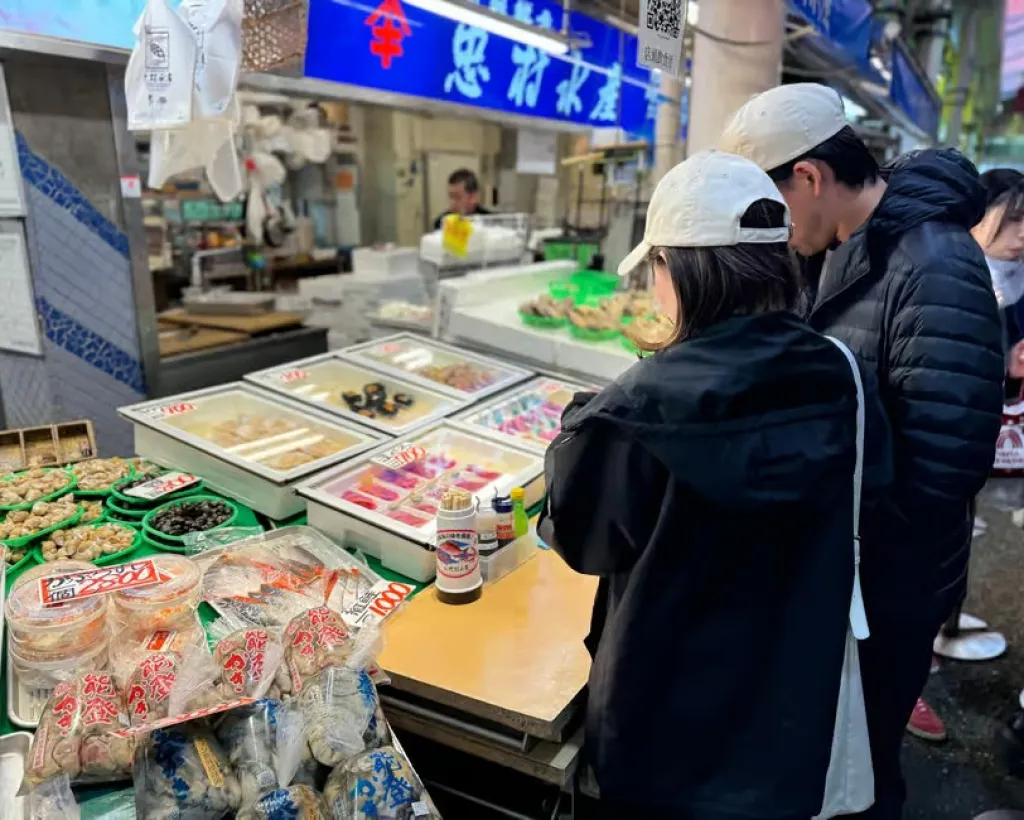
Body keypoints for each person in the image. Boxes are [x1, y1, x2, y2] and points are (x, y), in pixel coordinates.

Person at [539, 150, 892, 819]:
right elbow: (867, 495)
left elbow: (584, 539)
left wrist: (582, 429)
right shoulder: (843, 373)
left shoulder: (637, 405)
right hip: (791, 715)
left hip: (662, 729)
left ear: (679, 270)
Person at [721, 82, 1005, 819]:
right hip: (841, 570)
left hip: (889, 580)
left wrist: (837, 544)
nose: (777, 229)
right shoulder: (840, 248)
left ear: (809, 177)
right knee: (828, 753)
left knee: (866, 762)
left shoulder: (936, 263)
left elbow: (945, 462)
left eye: (774, 207)